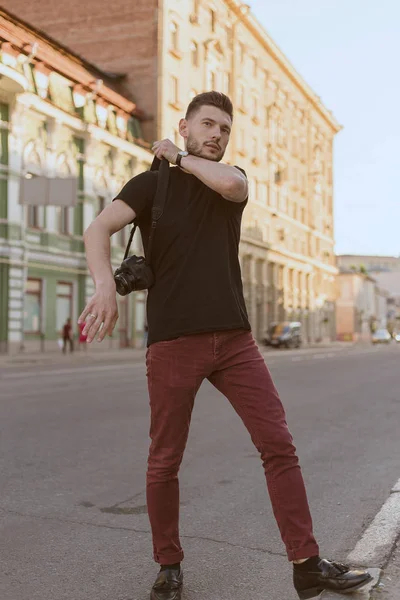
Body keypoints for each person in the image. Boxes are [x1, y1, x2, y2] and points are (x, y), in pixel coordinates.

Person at [78, 92, 372, 600]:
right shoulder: (150, 185)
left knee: (277, 444)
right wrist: (105, 285)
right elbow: (98, 228)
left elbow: (234, 184)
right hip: (173, 340)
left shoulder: (225, 180)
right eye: (207, 125)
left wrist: (179, 156)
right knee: (164, 459)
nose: (216, 134)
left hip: (234, 341)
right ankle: (168, 566)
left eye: (224, 130)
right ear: (185, 125)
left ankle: (306, 564)